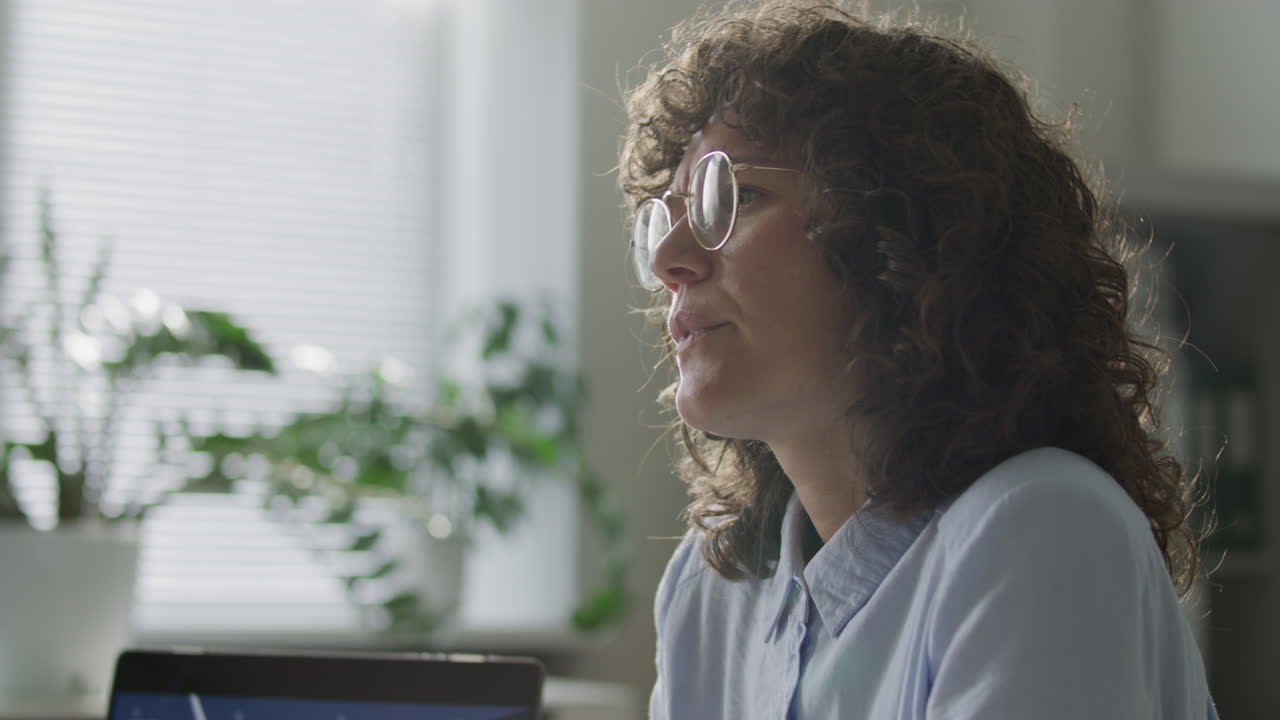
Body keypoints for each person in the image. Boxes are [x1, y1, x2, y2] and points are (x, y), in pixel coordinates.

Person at [619, 1, 1220, 717]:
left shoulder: (1043, 527)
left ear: (904, 237)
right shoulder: (711, 590)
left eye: (735, 195)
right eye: (665, 217)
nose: (669, 259)